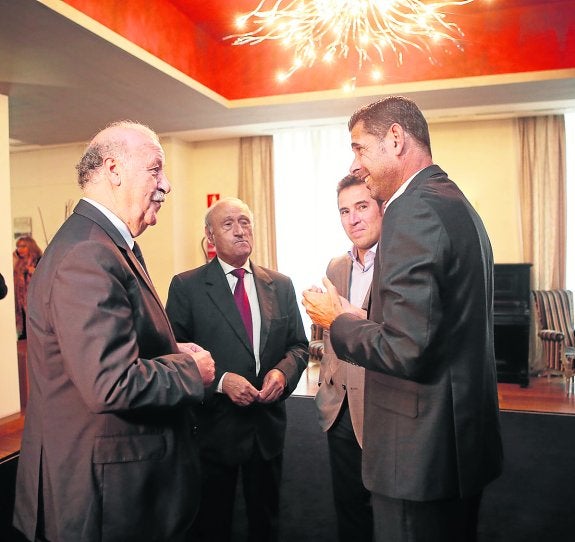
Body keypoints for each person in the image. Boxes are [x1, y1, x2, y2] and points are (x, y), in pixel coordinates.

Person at [303, 96, 503, 542]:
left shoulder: (410, 209)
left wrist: (337, 320)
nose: (354, 165)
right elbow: (432, 324)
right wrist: (365, 317)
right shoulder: (453, 201)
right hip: (456, 441)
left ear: (395, 139)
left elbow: (404, 348)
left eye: (358, 148)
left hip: (419, 451)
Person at [13, 121, 216, 542]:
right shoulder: (89, 252)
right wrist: (189, 369)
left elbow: (101, 350)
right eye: (155, 169)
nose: (167, 184)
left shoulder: (101, 242)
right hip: (106, 499)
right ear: (113, 169)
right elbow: (111, 382)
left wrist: (167, 347)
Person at [166, 197, 308, 542]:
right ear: (210, 236)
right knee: (212, 524)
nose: (240, 230)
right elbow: (171, 357)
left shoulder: (281, 284)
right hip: (214, 428)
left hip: (266, 427)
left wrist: (283, 373)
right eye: (228, 224)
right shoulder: (187, 286)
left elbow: (298, 346)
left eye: (244, 222)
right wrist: (221, 381)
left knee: (266, 522)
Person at [315, 174, 382, 542]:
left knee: (386, 511)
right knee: (349, 510)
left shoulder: (399, 263)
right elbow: (331, 334)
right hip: (338, 408)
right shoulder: (335, 267)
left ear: (381, 207)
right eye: (345, 210)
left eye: (362, 206)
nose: (353, 218)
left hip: (381, 408)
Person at [13, 235, 43, 339]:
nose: (19, 250)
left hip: (35, 302)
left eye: (23, 246)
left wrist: (34, 272)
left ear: (30, 246)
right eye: (18, 247)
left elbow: (46, 279)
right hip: (21, 303)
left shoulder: (40, 260)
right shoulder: (17, 263)